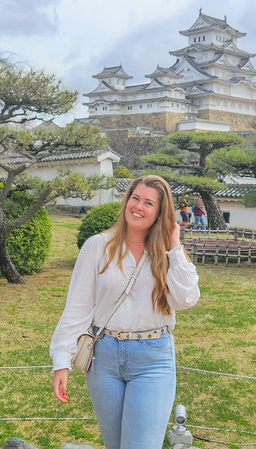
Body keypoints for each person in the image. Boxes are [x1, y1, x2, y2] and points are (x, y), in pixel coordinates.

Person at [50, 175, 200, 449]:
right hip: (103, 359)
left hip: (152, 359)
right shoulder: (98, 246)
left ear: (159, 212)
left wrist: (175, 246)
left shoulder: (166, 254)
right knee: (116, 445)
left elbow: (187, 298)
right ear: (126, 201)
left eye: (148, 203)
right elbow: (78, 307)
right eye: (135, 198)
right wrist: (62, 360)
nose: (138, 207)